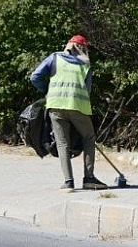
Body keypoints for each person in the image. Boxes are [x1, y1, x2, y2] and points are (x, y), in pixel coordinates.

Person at [30, 35, 107, 191]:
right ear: (83, 49)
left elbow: (35, 76)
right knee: (89, 138)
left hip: (56, 105)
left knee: (62, 143)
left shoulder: (54, 58)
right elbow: (88, 90)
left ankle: (68, 182)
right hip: (78, 106)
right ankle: (89, 179)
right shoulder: (86, 65)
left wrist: (47, 90)